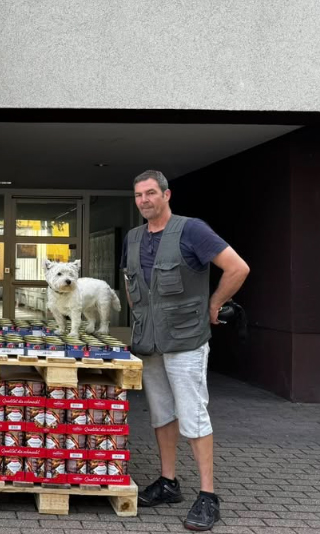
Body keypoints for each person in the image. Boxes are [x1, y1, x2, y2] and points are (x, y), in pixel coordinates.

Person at [121, 170, 250, 532]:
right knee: (161, 414)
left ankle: (208, 496)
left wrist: (214, 305)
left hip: (185, 342)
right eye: (138, 195)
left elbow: (238, 268)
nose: (144, 200)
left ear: (166, 195)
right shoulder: (132, 238)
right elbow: (132, 286)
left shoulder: (192, 230)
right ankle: (168, 483)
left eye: (150, 193)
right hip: (150, 343)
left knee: (193, 415)